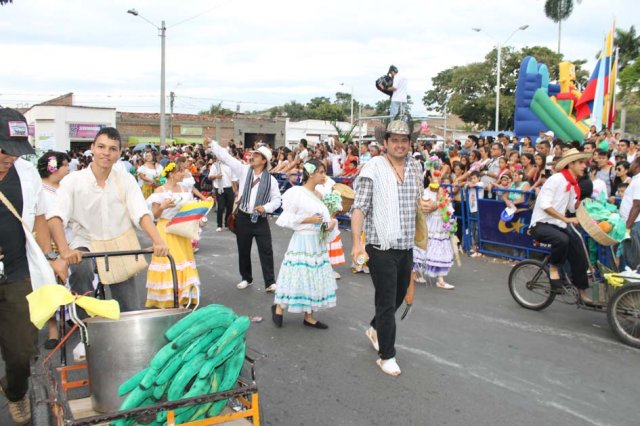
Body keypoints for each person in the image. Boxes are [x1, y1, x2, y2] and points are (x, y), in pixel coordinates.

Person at [48, 127, 170, 314]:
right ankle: (84, 324)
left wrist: (158, 241)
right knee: (81, 271)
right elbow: (55, 216)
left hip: (118, 244)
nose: (106, 153)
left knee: (129, 307)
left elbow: (141, 214)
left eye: (113, 149)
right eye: (101, 147)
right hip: (86, 242)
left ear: (119, 153)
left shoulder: (126, 180)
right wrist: (64, 250)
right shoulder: (73, 181)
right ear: (93, 148)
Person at [350, 118, 433, 376]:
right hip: (380, 244)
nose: (399, 145)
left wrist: (427, 207)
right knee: (386, 300)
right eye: (394, 140)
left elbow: (417, 202)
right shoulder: (373, 168)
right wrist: (356, 244)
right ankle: (387, 355)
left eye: (404, 140)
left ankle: (375, 328)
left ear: (411, 143)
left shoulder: (416, 167)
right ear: (385, 143)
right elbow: (359, 207)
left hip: (406, 244)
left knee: (398, 296)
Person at [0, 107, 67, 425]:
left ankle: (15, 391)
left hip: (17, 274)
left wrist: (52, 256)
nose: (8, 159)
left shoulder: (26, 174)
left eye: (13, 152)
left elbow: (40, 218)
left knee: (20, 351)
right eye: (3, 150)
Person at [207, 137, 282, 292]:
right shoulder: (243, 170)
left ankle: (270, 282)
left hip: (260, 220)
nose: (251, 157)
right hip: (243, 217)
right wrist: (212, 144)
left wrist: (266, 208)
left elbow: (277, 200)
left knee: (266, 250)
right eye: (252, 154)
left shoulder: (271, 180)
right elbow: (226, 157)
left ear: (263, 161)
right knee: (243, 249)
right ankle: (246, 278)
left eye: (256, 155)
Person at [271, 159, 338, 329]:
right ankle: (279, 307)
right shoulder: (296, 193)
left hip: (317, 242)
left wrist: (330, 223)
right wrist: (308, 219)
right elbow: (285, 218)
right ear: (311, 173)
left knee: (313, 276)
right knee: (296, 273)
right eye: (321, 172)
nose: (324, 176)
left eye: (324, 172)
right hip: (301, 240)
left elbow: (325, 219)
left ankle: (309, 315)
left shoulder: (320, 195)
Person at [529, 148, 593, 302]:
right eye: (580, 163)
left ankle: (581, 290)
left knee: (580, 252)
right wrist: (566, 220)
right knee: (562, 240)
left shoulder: (572, 184)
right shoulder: (556, 179)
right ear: (571, 164)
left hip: (558, 225)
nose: (584, 166)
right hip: (541, 224)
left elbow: (571, 207)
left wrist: (587, 204)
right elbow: (545, 205)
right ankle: (554, 267)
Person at [145, 162, 200, 308]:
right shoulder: (159, 191)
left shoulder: (185, 189)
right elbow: (154, 216)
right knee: (171, 262)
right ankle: (169, 298)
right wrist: (162, 207)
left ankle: (184, 296)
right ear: (171, 174)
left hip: (181, 229)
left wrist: (198, 217)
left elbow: (190, 208)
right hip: (165, 229)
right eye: (180, 171)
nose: (184, 173)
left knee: (183, 260)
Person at [37, 150, 71, 350]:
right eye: (65, 165)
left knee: (74, 283)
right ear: (53, 168)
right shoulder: (39, 190)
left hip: (69, 243)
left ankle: (72, 317)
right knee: (48, 286)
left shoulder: (66, 189)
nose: (68, 169)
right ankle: (53, 329)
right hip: (46, 246)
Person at [209, 154, 237, 232]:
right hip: (219, 188)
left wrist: (236, 190)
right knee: (220, 207)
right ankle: (219, 225)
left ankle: (227, 223)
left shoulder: (230, 166)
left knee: (230, 207)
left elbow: (234, 179)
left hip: (229, 188)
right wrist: (216, 176)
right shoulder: (215, 165)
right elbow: (209, 177)